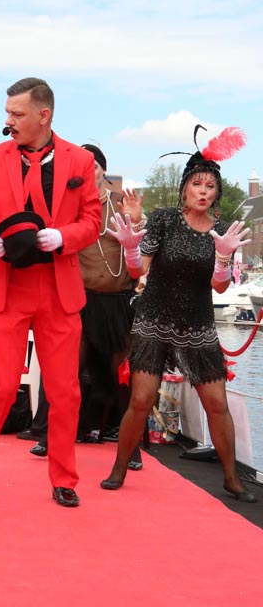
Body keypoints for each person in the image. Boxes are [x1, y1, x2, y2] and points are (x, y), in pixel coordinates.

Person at [0, 77, 101, 507]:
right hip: (10, 287)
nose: (9, 120)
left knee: (65, 392)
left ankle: (64, 479)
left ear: (43, 115)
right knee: (0, 387)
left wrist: (65, 237)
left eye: (16, 113)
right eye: (8, 113)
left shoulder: (80, 161)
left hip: (58, 289)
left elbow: (92, 220)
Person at [100, 127, 257, 503]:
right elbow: (138, 270)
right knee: (141, 400)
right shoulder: (164, 220)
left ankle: (232, 478)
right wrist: (131, 245)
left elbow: (220, 287)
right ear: (185, 188)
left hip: (198, 325)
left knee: (216, 404)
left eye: (210, 186)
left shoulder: (223, 232)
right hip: (154, 320)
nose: (203, 191)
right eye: (197, 184)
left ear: (216, 193)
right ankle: (118, 468)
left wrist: (224, 256)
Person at [28, 145, 144, 472]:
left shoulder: (122, 204)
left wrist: (135, 224)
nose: (85, 172)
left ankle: (131, 445)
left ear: (103, 171)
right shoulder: (66, 207)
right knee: (65, 370)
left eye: (91, 166)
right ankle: (49, 436)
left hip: (117, 301)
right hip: (78, 300)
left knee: (123, 375)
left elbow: (140, 261)